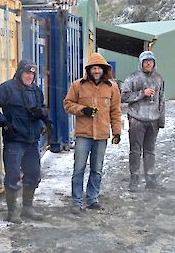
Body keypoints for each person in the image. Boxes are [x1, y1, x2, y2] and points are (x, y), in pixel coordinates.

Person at [0, 60, 53, 224]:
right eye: (27, 73)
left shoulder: (36, 90)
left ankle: (27, 207)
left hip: (32, 141)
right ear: (20, 73)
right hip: (14, 141)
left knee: (33, 174)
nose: (29, 76)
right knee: (12, 175)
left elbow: (41, 109)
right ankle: (12, 212)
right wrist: (3, 122)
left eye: (32, 73)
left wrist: (46, 122)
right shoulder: (7, 88)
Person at [63, 52, 122, 214]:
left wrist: (116, 132)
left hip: (101, 135)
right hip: (83, 134)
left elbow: (115, 111)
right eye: (93, 68)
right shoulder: (78, 85)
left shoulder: (112, 88)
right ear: (89, 70)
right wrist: (83, 110)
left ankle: (92, 199)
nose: (96, 71)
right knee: (79, 168)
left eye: (99, 68)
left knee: (97, 169)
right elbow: (67, 104)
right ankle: (76, 201)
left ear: (104, 70)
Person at [121, 51, 165, 191]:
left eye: (151, 61)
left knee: (150, 151)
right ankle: (134, 178)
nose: (148, 63)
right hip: (137, 119)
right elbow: (123, 97)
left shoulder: (159, 78)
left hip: (153, 120)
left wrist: (161, 119)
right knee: (135, 150)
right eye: (146, 61)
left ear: (154, 63)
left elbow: (162, 100)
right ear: (141, 63)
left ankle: (150, 178)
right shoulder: (132, 78)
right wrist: (142, 94)